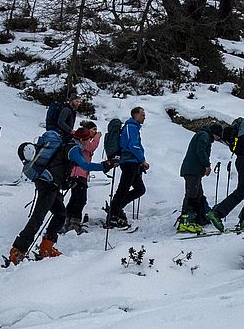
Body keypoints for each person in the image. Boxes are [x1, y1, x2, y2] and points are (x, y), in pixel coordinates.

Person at [8, 125, 116, 264]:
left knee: (60, 214)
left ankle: (46, 247)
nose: (88, 142)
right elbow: (85, 165)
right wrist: (105, 165)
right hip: (49, 184)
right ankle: (18, 250)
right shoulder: (73, 148)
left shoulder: (68, 144)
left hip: (49, 182)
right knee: (38, 216)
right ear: (82, 140)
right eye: (87, 139)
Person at [177, 123, 226, 233]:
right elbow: (201, 151)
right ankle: (185, 222)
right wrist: (207, 165)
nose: (218, 138)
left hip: (194, 171)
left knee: (198, 194)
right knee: (191, 195)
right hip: (192, 170)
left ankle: (198, 218)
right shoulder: (204, 135)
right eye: (218, 136)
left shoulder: (204, 135)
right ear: (215, 133)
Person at [106, 107, 149, 229]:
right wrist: (142, 160)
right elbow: (133, 145)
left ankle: (116, 209)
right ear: (135, 115)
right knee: (123, 189)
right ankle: (113, 213)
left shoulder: (134, 127)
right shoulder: (130, 127)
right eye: (142, 115)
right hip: (129, 161)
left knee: (139, 189)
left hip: (133, 162)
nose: (144, 117)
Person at [64, 121, 101, 235]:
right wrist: (97, 138)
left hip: (79, 173)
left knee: (75, 198)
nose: (95, 132)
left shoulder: (82, 139)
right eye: (93, 130)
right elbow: (91, 147)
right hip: (78, 173)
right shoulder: (82, 140)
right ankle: (74, 222)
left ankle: (66, 220)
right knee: (81, 199)